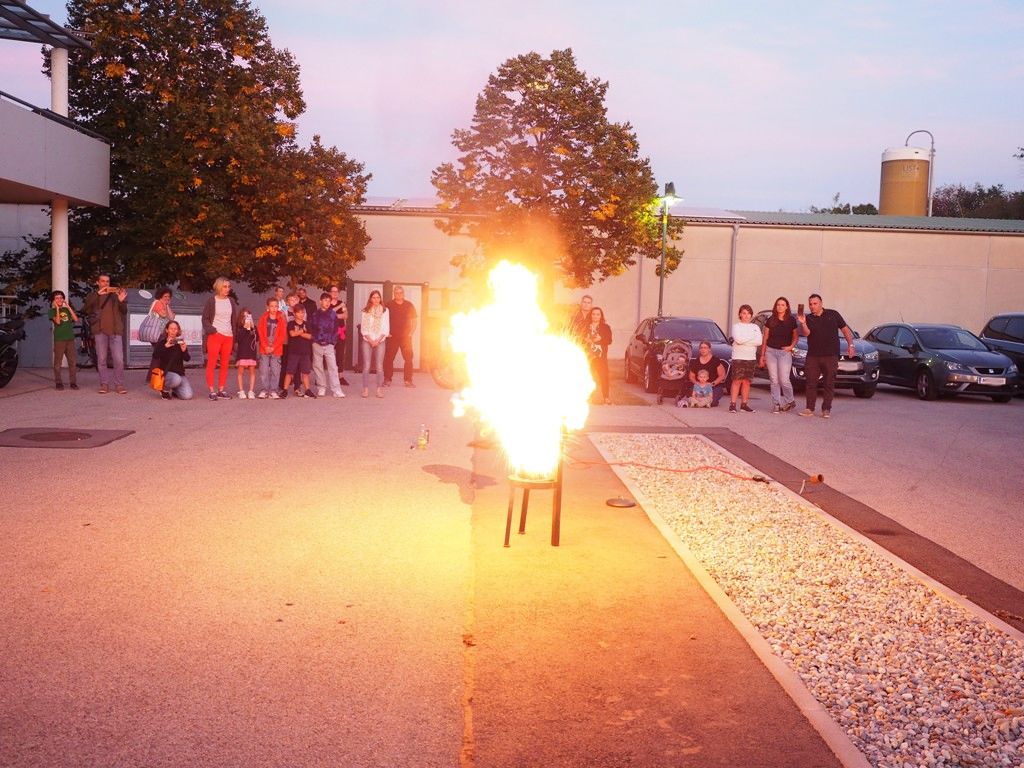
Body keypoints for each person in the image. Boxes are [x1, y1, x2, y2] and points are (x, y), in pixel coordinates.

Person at [797, 293, 856, 419]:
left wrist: (851, 345)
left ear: (821, 303)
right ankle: (809, 408)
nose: (812, 306)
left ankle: (826, 409)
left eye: (815, 303)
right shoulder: (808, 318)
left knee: (829, 382)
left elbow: (845, 330)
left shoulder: (833, 314)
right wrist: (802, 323)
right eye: (810, 304)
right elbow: (807, 333)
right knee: (811, 383)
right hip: (813, 356)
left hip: (831, 355)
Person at [83, 274, 128, 394]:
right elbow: (85, 308)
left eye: (107, 281)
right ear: (97, 282)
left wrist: (121, 301)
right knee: (102, 359)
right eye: (102, 281)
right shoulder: (93, 296)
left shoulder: (115, 295)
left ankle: (119, 384)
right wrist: (97, 295)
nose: (105, 284)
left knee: (118, 359)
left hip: (115, 331)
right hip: (100, 331)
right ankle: (104, 384)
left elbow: (124, 311)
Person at [201, 276, 239, 401]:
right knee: (212, 363)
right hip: (215, 335)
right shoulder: (212, 301)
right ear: (218, 287)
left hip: (228, 336)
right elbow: (205, 319)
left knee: (225, 364)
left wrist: (234, 336)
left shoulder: (231, 301)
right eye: (224, 286)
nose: (227, 289)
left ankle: (221, 389)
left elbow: (234, 319)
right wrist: (212, 330)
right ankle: (211, 390)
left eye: (229, 287)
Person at [759, 296, 799, 414]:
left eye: (782, 305)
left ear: (786, 307)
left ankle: (790, 400)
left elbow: (795, 337)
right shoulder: (770, 320)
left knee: (784, 380)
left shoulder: (791, 320)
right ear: (775, 307)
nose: (780, 307)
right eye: (778, 305)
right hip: (770, 352)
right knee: (774, 379)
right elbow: (765, 338)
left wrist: (791, 347)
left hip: (784, 353)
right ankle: (776, 404)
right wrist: (762, 355)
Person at [311, 292, 344, 398]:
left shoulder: (333, 314)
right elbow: (312, 328)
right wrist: (315, 340)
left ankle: (336, 389)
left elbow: (335, 329)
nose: (327, 303)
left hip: (329, 344)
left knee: (333, 367)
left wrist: (332, 342)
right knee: (318, 366)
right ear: (320, 301)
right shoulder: (315, 314)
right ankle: (321, 387)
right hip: (317, 343)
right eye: (325, 300)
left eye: (329, 301)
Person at [729, 304, 761, 413]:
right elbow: (738, 340)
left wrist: (745, 340)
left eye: (748, 313)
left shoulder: (755, 327)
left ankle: (744, 404)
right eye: (744, 313)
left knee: (747, 382)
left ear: (751, 315)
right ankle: (733, 404)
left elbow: (759, 341)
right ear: (740, 314)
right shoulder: (736, 326)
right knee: (737, 381)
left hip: (750, 358)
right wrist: (752, 337)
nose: (746, 315)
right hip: (738, 357)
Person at [384, 285, 417, 387]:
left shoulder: (409, 305)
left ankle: (408, 380)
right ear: (394, 294)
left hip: (405, 338)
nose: (399, 294)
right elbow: (383, 319)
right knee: (389, 358)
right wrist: (386, 332)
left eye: (401, 292)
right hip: (392, 337)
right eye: (397, 293)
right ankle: (387, 379)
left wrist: (411, 333)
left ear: (403, 294)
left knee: (408, 359)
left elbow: (414, 320)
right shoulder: (389, 305)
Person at [151, 320, 193, 400]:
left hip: (179, 373)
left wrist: (184, 350)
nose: (173, 331)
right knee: (176, 379)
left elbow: (187, 359)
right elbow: (155, 356)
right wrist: (165, 346)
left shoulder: (180, 342)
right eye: (171, 329)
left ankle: (175, 389)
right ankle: (164, 390)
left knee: (187, 396)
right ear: (167, 330)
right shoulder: (162, 342)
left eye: (175, 329)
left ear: (178, 331)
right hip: (166, 373)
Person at [360, 289, 389, 398]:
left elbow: (386, 327)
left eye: (378, 297)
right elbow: (363, 328)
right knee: (366, 366)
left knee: (379, 366)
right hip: (368, 340)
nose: (376, 300)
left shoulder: (385, 311)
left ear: (380, 298)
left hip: (380, 340)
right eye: (374, 297)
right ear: (370, 299)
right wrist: (371, 340)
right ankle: (365, 389)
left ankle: (379, 389)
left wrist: (377, 340)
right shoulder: (365, 311)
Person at [282, 304, 315, 398]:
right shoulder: (291, 324)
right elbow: (292, 334)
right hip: (294, 352)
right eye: (298, 312)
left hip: (305, 352)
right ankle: (285, 390)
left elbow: (310, 336)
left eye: (302, 312)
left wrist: (299, 332)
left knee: (305, 372)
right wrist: (302, 332)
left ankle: (307, 389)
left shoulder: (307, 324)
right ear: (294, 313)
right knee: (289, 372)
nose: (301, 314)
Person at [256, 297, 286, 399]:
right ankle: (264, 389)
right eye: (272, 306)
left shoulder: (281, 319)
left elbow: (282, 335)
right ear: (267, 307)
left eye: (276, 306)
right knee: (263, 370)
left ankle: (273, 389)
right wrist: (265, 346)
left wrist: (273, 347)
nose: (274, 308)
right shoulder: (263, 318)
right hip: (264, 348)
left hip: (276, 349)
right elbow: (260, 333)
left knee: (275, 370)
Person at [49, 290, 79, 390]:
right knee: (58, 362)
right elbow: (57, 321)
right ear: (53, 300)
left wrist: (68, 307)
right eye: (57, 298)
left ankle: (73, 382)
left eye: (61, 298)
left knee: (72, 362)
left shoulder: (67, 310)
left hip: (70, 339)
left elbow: (76, 319)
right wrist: (57, 308)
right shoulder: (51, 311)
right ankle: (58, 382)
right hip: (60, 339)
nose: (59, 300)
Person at [685, 340, 727, 407]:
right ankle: (700, 401)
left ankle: (702, 402)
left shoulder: (715, 360)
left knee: (713, 402)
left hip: (713, 386)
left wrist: (712, 384)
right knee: (690, 393)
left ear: (709, 349)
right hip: (699, 386)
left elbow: (722, 375)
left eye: (705, 348)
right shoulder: (696, 361)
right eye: (701, 348)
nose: (703, 350)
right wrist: (697, 383)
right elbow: (691, 376)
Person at [586, 306, 612, 404]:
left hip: (601, 357)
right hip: (588, 357)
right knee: (589, 377)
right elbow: (580, 338)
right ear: (591, 315)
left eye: (598, 314)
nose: (595, 316)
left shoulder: (605, 327)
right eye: (593, 314)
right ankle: (589, 398)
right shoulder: (586, 326)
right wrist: (586, 340)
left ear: (601, 316)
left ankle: (606, 398)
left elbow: (609, 340)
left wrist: (601, 339)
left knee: (604, 377)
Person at [234, 307, 259, 399]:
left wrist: (252, 328)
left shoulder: (253, 327)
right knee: (240, 372)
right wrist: (245, 328)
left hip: (251, 353)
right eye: (244, 316)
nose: (246, 318)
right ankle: (241, 390)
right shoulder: (239, 328)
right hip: (242, 353)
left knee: (252, 372)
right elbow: (238, 339)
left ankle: (251, 391)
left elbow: (257, 339)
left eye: (248, 316)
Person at [328, 284, 350, 385]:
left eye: (336, 291)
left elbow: (345, 316)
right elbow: (327, 315)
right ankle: (326, 377)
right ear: (329, 293)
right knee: (328, 354)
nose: (335, 293)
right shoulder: (327, 303)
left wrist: (335, 315)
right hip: (329, 333)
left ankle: (340, 377)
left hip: (341, 332)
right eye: (333, 291)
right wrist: (339, 308)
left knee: (340, 354)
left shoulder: (342, 303)